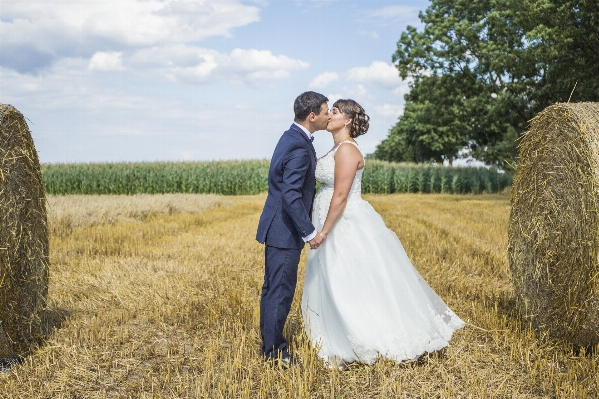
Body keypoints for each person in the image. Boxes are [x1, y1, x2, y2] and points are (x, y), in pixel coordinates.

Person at [301, 99, 465, 370]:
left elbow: (340, 196)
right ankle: (335, 334)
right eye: (329, 111)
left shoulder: (347, 150)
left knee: (343, 279)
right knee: (332, 278)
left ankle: (359, 336)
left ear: (349, 120)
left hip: (342, 223)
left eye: (335, 111)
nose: (328, 115)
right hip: (328, 219)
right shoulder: (334, 147)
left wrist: (324, 231)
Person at [256, 91, 330, 367]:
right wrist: (309, 232)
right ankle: (274, 352)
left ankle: (269, 343)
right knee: (280, 290)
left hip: (277, 227)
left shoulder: (291, 136)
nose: (327, 115)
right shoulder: (299, 145)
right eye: (325, 111)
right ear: (312, 116)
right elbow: (291, 195)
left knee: (273, 288)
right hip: (284, 231)